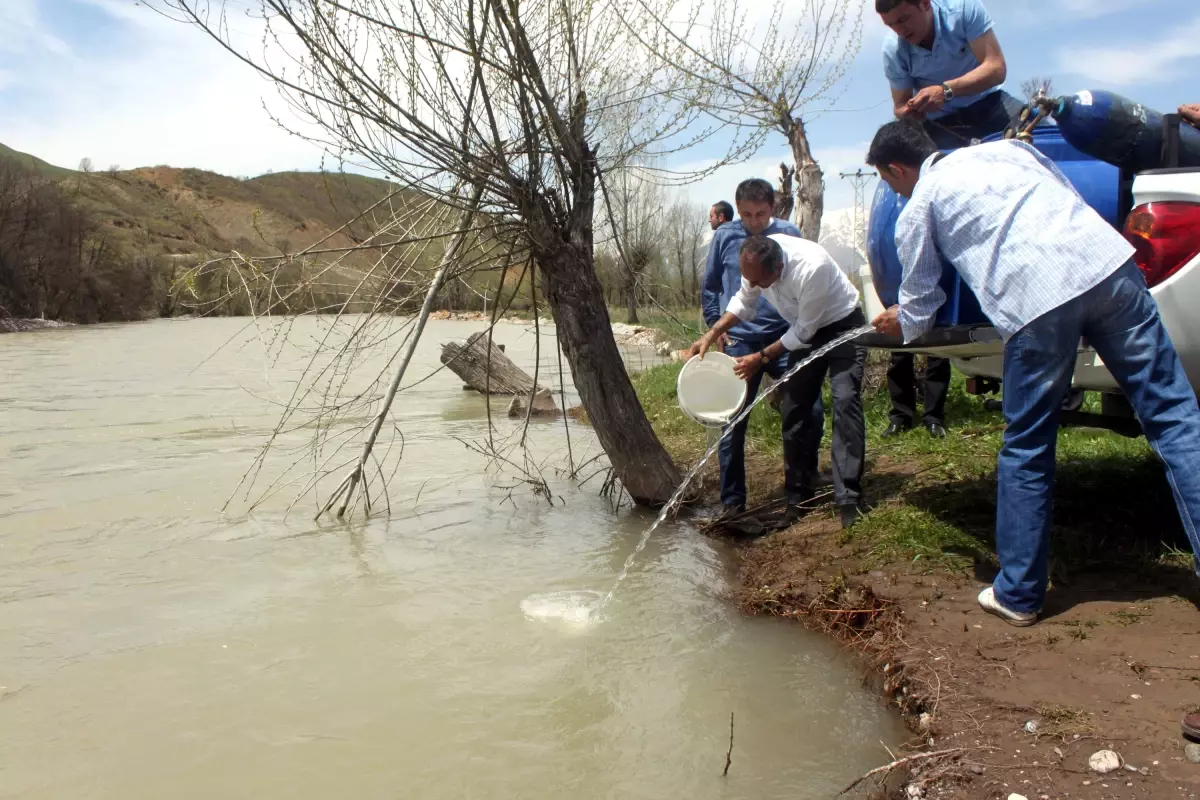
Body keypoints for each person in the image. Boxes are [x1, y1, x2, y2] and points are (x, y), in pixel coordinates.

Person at [865, 121, 1200, 630]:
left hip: (1037, 299)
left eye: (890, 184)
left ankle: (1019, 593)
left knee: (1027, 444)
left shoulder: (921, 203)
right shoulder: (1009, 151)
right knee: (1176, 418)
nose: (896, 191)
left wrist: (896, 318)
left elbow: (921, 305)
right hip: (1109, 269)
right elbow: (1065, 200)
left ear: (897, 169)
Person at [692, 233, 868, 529]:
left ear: (778, 267)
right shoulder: (757, 259)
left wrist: (760, 358)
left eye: (761, 282)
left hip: (842, 327)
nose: (757, 286)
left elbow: (804, 331)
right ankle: (797, 497)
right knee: (794, 408)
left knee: (845, 400)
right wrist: (712, 332)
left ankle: (848, 498)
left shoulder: (813, 267)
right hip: (805, 330)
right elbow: (744, 303)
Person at [701, 180, 824, 519]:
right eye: (746, 215)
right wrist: (716, 327)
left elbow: (803, 279)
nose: (754, 222)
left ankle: (802, 488)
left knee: (808, 410)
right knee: (731, 420)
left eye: (760, 214)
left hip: (783, 339)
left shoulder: (788, 233)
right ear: (737, 211)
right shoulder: (725, 236)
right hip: (740, 341)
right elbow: (711, 286)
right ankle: (732, 502)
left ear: (772, 209)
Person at [877, 0, 1022, 150]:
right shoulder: (893, 49)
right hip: (941, 124)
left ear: (925, 4)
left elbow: (996, 68)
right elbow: (900, 106)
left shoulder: (963, 8)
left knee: (1040, 130)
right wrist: (911, 111)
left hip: (989, 104)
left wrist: (945, 91)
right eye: (890, 24)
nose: (899, 30)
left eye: (903, 19)